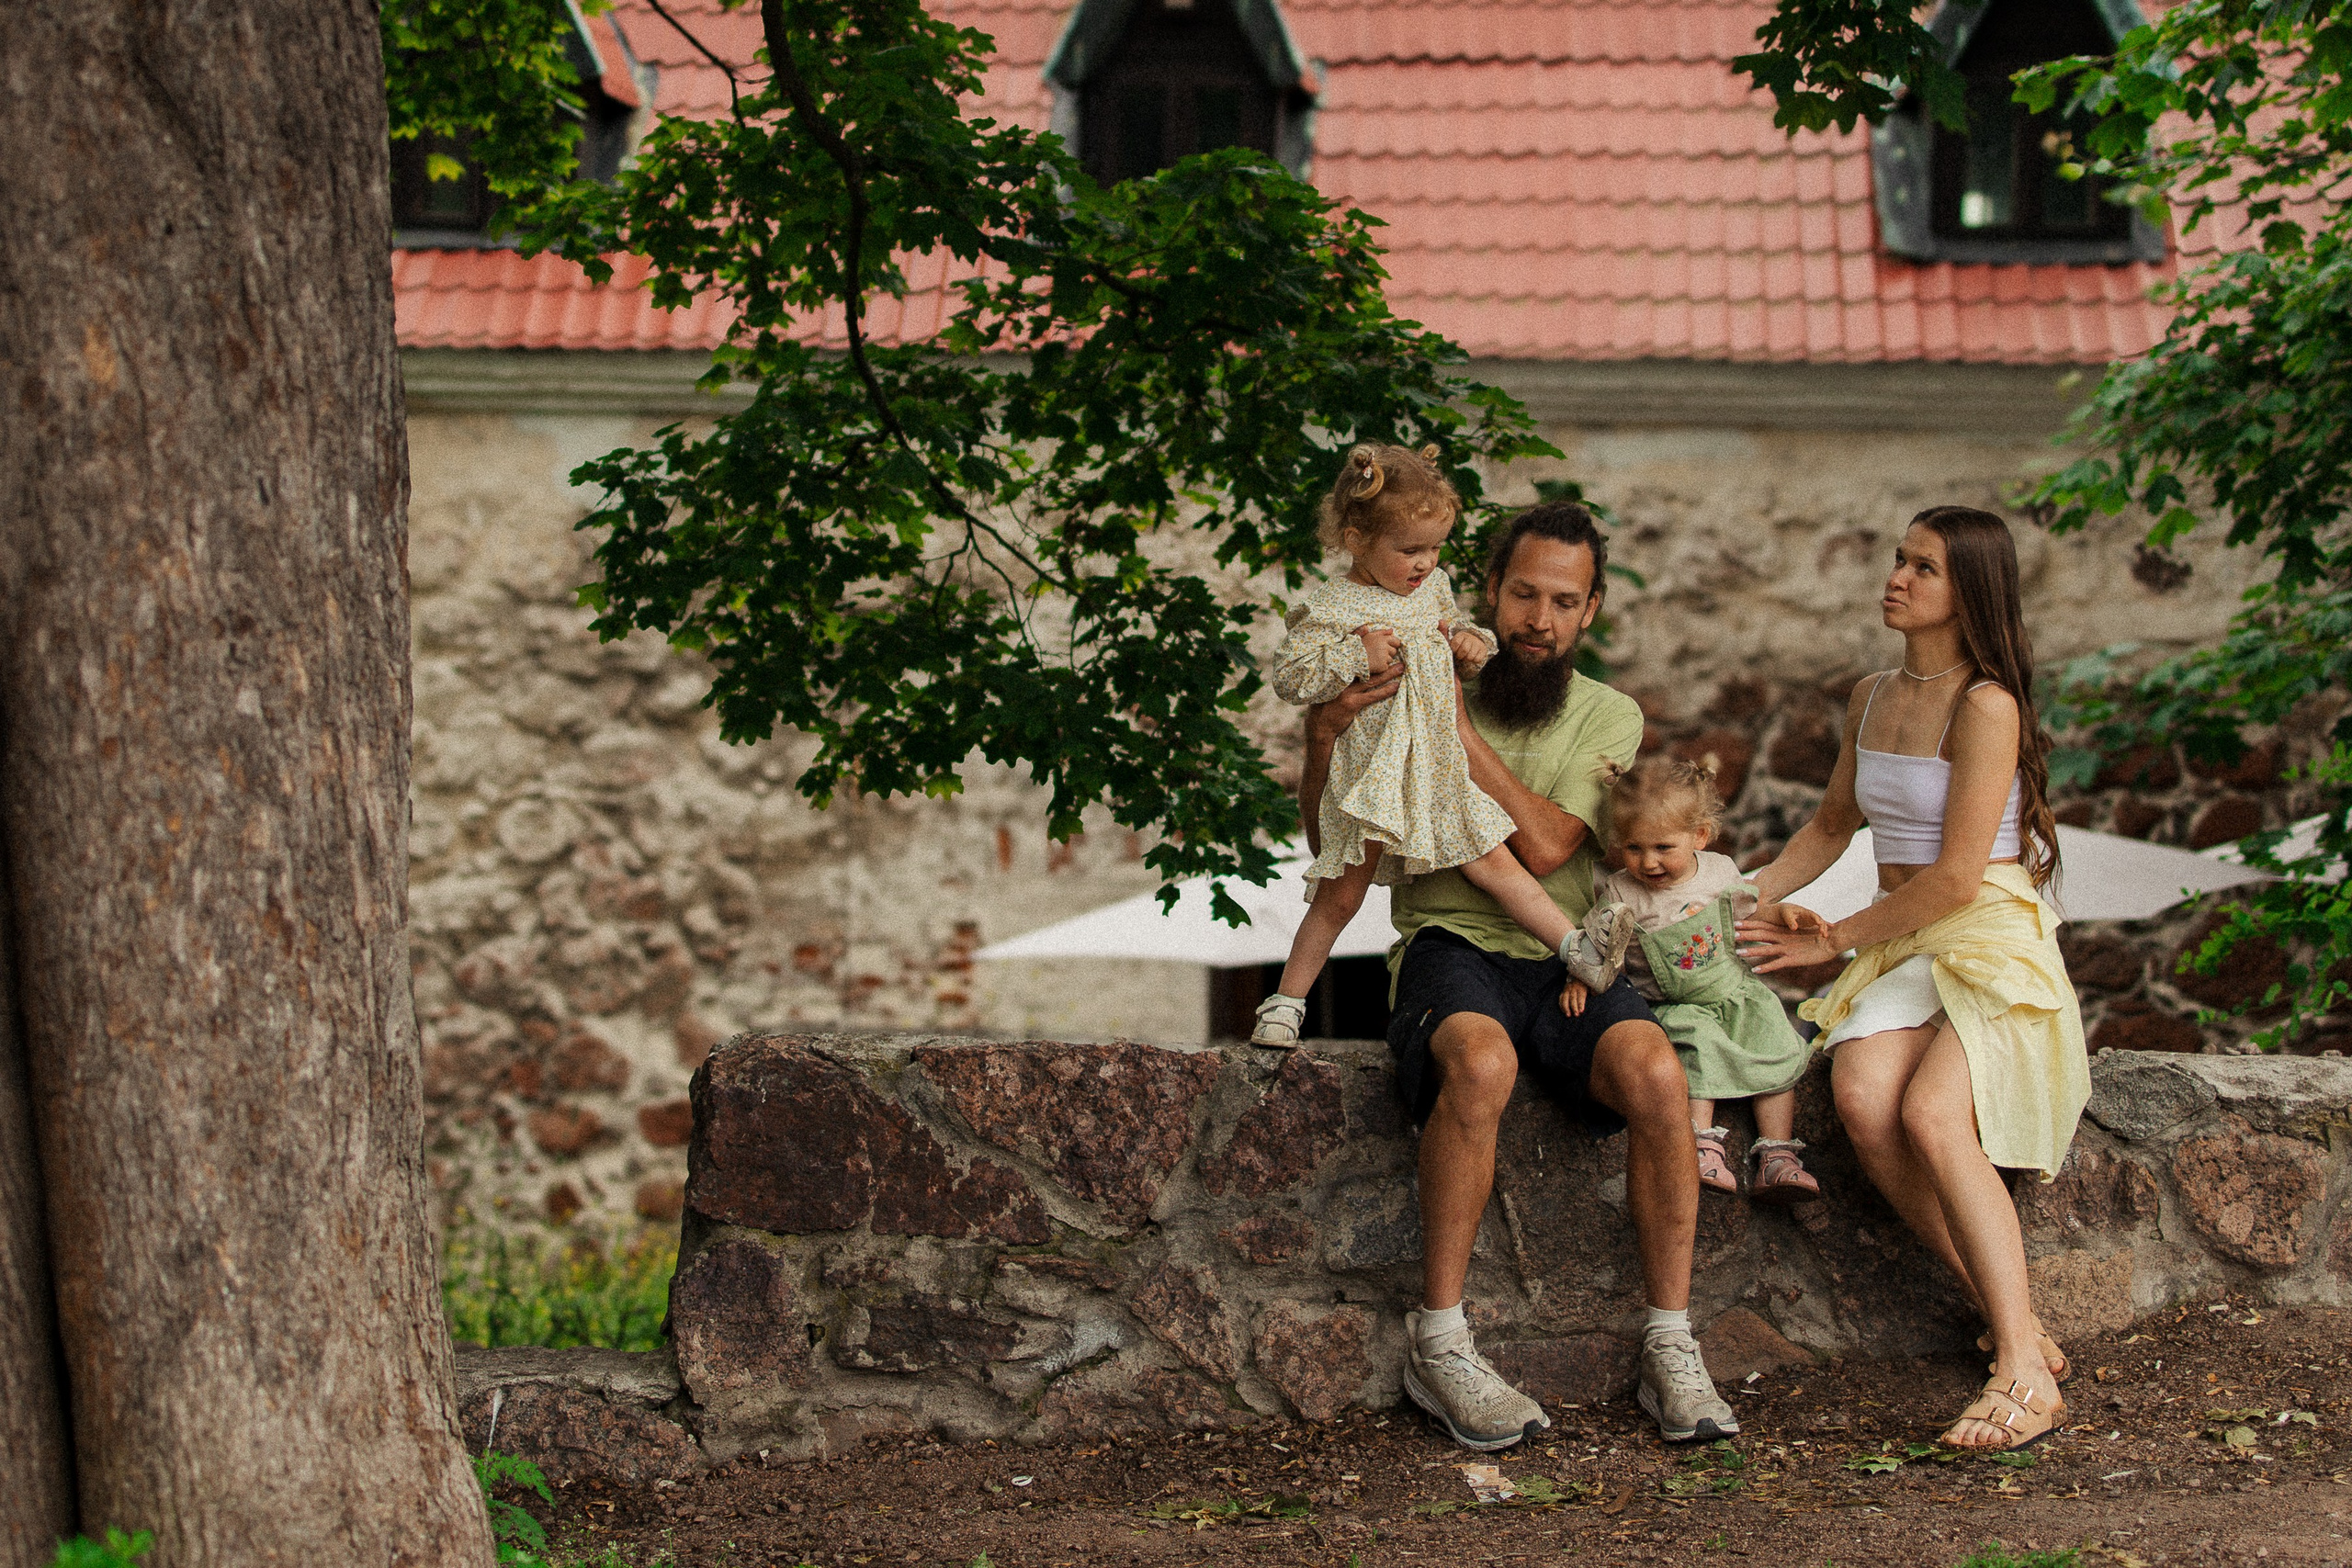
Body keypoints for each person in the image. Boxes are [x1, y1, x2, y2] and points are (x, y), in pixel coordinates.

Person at [1301, 502, 1736, 1451]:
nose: (1539, 618)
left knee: (1659, 1074)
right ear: (1488, 591)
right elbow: (1330, 843)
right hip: (1449, 947)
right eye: (1524, 593)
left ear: (1591, 612)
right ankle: (1442, 1343)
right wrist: (1320, 741)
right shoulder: (1399, 675)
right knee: (1482, 1062)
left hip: (1565, 954)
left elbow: (1544, 848)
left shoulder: (1606, 715)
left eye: (1564, 601)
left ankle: (1670, 1342)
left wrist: (1449, 728)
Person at [1736, 505, 2088, 1451]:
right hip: (1909, 942)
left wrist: (1831, 938)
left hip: (1984, 933)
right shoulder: (1870, 694)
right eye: (1898, 561)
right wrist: (1729, 897)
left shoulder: (1986, 705)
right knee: (1859, 1098)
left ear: (1967, 592)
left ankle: (2019, 1369)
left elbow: (1954, 878)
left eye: (1921, 568)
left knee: (1932, 1114)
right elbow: (1828, 827)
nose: (1895, 578)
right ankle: (2009, 1315)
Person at [1595, 756, 1819, 1204]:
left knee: (1775, 1041)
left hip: (1732, 991)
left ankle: (1778, 1156)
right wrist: (1583, 979)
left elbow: (1748, 908)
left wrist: (1783, 913)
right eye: (1634, 848)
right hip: (1674, 1004)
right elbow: (1602, 945)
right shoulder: (1621, 892)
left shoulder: (1718, 872)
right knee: (1696, 1051)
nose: (1648, 862)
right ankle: (1700, 1146)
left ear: (1698, 835)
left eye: (1663, 847)